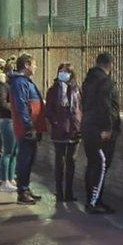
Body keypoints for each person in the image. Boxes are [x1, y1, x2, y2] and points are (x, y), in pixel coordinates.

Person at [81, 52, 121, 214]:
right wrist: (107, 129)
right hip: (100, 130)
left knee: (93, 164)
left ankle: (92, 198)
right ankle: (94, 202)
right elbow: (105, 106)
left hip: (88, 126)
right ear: (110, 63)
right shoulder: (105, 81)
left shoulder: (88, 80)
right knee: (100, 165)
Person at [9, 53, 46, 205]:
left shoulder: (25, 82)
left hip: (32, 128)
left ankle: (25, 188)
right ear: (26, 65)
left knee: (29, 159)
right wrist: (28, 126)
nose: (36, 67)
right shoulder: (20, 83)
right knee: (25, 159)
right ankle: (22, 191)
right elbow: (22, 105)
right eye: (34, 64)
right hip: (26, 129)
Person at [46, 62, 82, 202]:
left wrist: (78, 124)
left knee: (71, 161)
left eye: (66, 71)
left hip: (74, 130)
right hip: (59, 129)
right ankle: (59, 191)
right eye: (61, 71)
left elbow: (80, 108)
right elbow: (48, 110)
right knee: (59, 161)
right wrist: (55, 121)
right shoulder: (53, 90)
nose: (63, 73)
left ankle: (69, 192)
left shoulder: (76, 89)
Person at [0, 71, 17, 192]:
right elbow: (2, 104)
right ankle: (4, 180)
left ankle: (11, 178)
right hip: (7, 121)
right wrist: (16, 105)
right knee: (8, 152)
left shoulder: (7, 86)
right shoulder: (2, 86)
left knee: (13, 152)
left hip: (12, 120)